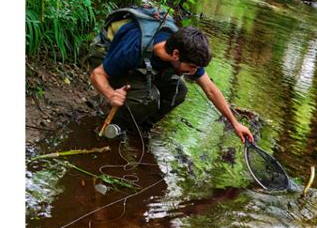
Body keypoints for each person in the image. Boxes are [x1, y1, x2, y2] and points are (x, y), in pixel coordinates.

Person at [90, 23, 254, 144]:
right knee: (149, 96)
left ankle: (139, 128)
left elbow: (210, 90)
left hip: (143, 69)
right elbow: (97, 74)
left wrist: (235, 123)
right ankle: (114, 126)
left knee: (179, 90)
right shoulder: (133, 49)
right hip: (109, 59)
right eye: (191, 67)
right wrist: (111, 95)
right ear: (176, 54)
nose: (192, 72)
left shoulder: (184, 53)